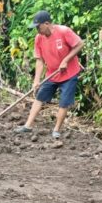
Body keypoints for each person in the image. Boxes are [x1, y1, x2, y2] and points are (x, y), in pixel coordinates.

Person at [15, 10, 84, 139]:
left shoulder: (64, 31)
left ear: (46, 24)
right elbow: (39, 61)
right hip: (52, 74)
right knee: (40, 97)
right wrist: (36, 80)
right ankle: (27, 126)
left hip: (69, 74)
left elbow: (80, 44)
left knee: (64, 102)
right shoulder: (39, 38)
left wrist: (65, 60)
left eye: (38, 27)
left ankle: (56, 130)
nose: (37, 30)